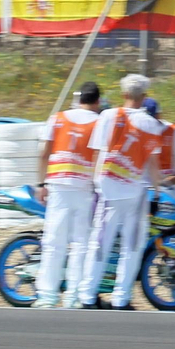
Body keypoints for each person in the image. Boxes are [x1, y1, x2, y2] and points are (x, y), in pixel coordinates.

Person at [75, 74, 175, 310]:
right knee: (132, 247)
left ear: (124, 94)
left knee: (99, 245)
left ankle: (87, 296)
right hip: (135, 192)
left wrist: (95, 183)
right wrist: (158, 191)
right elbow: (151, 162)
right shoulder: (150, 123)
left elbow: (98, 153)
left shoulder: (108, 116)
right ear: (144, 96)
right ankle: (121, 299)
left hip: (107, 189)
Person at [31, 81, 104, 309]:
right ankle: (73, 295)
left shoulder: (58, 118)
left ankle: (47, 296)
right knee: (81, 243)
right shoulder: (100, 122)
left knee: (54, 241)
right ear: (97, 101)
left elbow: (44, 153)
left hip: (58, 184)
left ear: (78, 98)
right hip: (84, 186)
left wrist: (41, 183)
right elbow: (100, 158)